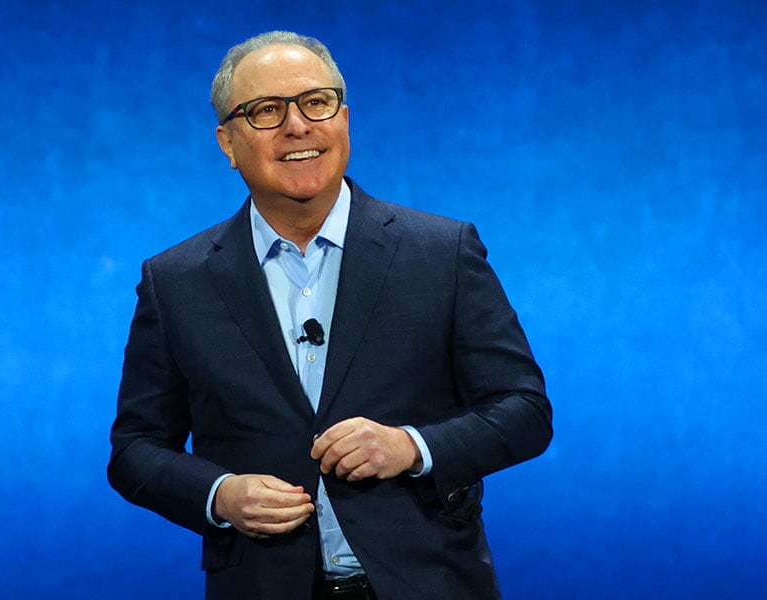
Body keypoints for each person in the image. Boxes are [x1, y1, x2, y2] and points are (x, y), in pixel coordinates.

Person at [108, 30, 553, 600]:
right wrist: (220, 494)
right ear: (227, 141)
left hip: (425, 581)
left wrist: (411, 447)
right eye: (266, 111)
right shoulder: (175, 280)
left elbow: (524, 411)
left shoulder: (441, 251)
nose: (298, 126)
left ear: (344, 117)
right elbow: (136, 448)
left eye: (316, 102)